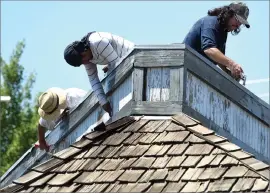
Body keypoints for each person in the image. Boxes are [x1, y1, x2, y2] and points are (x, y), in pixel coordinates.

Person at [63, 32, 135, 116]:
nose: (86, 62)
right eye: (82, 63)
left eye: (83, 60)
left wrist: (110, 66)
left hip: (133, 58)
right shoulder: (86, 56)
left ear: (84, 51)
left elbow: (117, 65)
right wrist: (103, 101)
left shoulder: (98, 42)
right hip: (122, 62)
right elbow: (93, 79)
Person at [183, 2, 250, 80]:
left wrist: (230, 73)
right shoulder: (211, 23)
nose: (238, 25)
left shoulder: (223, 31)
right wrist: (232, 64)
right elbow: (209, 49)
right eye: (237, 19)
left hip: (194, 71)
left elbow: (218, 58)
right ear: (229, 14)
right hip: (185, 68)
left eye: (241, 23)